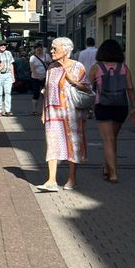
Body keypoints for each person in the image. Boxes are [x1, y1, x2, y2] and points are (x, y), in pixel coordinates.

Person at [39, 37, 88, 191]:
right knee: (52, 144)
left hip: (71, 113)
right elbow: (46, 91)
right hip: (52, 112)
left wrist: (73, 81)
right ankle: (51, 180)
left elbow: (88, 89)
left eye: (55, 48)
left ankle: (72, 179)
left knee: (72, 145)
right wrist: (43, 111)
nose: (51, 51)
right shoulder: (51, 68)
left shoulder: (77, 67)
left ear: (66, 50)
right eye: (51, 48)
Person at [90, 39, 135, 183]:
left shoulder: (96, 67)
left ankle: (113, 173)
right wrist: (134, 107)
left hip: (103, 106)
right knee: (113, 139)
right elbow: (130, 88)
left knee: (107, 140)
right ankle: (107, 167)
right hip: (120, 106)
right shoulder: (124, 67)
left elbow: (87, 87)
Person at [29, 42, 50, 116]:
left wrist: (47, 65)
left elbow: (50, 66)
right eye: (37, 49)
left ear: (42, 48)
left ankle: (45, 110)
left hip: (45, 77)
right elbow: (32, 69)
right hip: (35, 78)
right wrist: (38, 77)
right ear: (35, 50)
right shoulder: (32, 58)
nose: (39, 50)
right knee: (36, 94)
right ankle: (34, 110)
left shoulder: (46, 56)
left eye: (40, 49)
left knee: (45, 94)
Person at [0, 41, 16, 116]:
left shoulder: (8, 53)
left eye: (4, 45)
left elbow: (11, 65)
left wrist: (12, 76)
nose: (3, 46)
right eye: (1, 45)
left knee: (8, 93)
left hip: (8, 75)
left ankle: (8, 110)